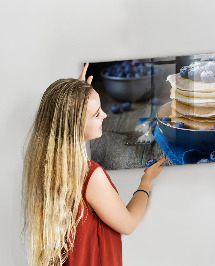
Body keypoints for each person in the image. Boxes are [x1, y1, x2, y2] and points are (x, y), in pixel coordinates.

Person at [22, 63, 165, 266]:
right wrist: (146, 182)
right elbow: (128, 223)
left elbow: (62, 119)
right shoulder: (90, 176)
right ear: (75, 124)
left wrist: (75, 97)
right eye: (97, 114)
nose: (104, 116)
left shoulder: (44, 168)